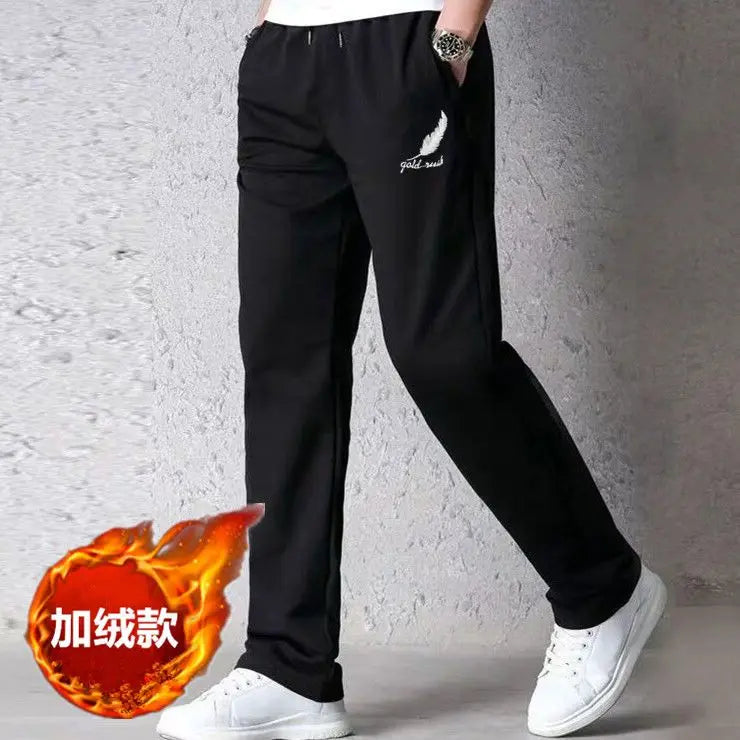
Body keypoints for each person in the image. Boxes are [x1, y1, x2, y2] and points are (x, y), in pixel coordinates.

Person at [156, 1, 667, 738]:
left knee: (444, 350)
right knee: (283, 362)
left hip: (405, 43)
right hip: (283, 64)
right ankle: (287, 666)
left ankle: (602, 588)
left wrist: (451, 40)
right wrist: (269, 28)